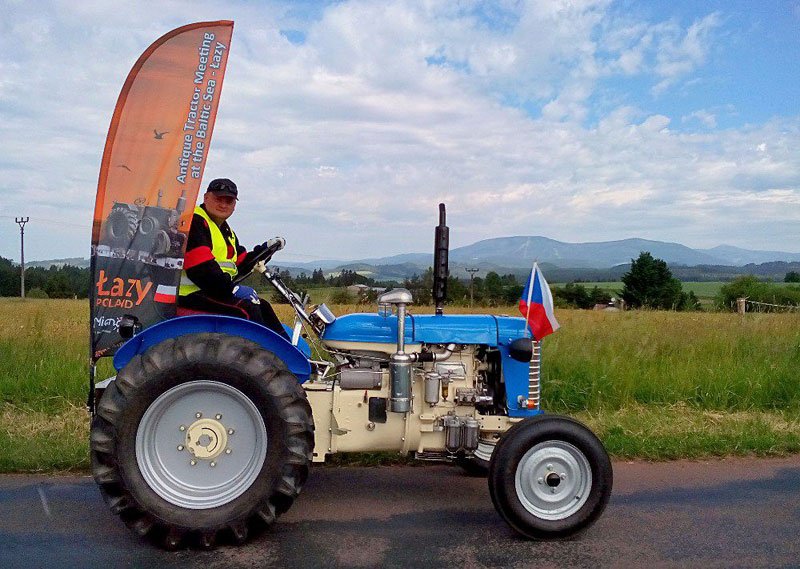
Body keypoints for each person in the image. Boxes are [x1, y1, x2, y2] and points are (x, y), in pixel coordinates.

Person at [178, 178, 289, 339]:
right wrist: (230, 289)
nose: (223, 205)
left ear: (234, 205)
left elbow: (242, 262)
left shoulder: (224, 230)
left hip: (210, 292)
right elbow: (201, 270)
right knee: (247, 310)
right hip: (191, 295)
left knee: (262, 306)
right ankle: (264, 358)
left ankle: (288, 354)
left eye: (228, 200)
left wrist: (266, 250)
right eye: (218, 199)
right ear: (206, 198)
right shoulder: (195, 222)